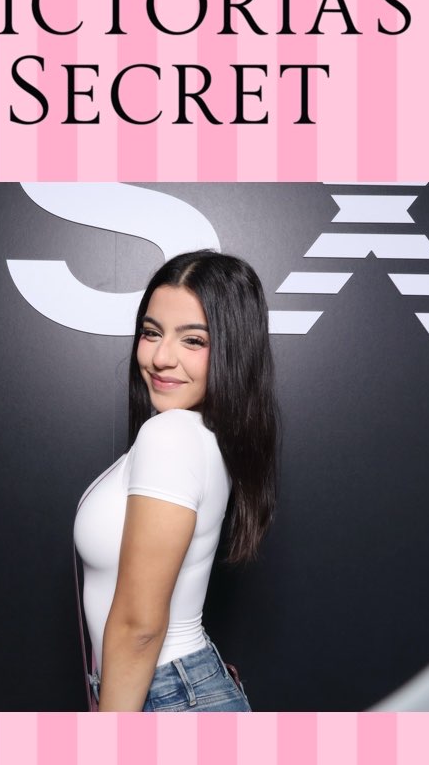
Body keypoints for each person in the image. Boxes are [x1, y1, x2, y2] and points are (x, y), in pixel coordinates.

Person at [72, 251, 279, 712]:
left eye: (193, 341)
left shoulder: (172, 435)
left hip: (165, 694)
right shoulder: (199, 433)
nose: (161, 358)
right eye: (151, 333)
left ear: (232, 348)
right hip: (170, 689)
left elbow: (140, 625)